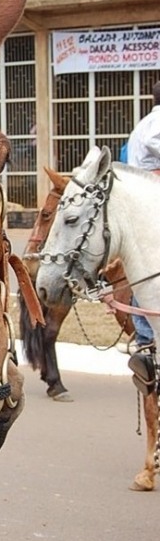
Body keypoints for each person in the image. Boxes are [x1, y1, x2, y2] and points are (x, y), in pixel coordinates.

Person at [124, 83, 160, 373]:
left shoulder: (144, 122)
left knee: (143, 267)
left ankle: (145, 338)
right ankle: (147, 337)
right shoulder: (156, 123)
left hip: (139, 199)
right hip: (151, 198)